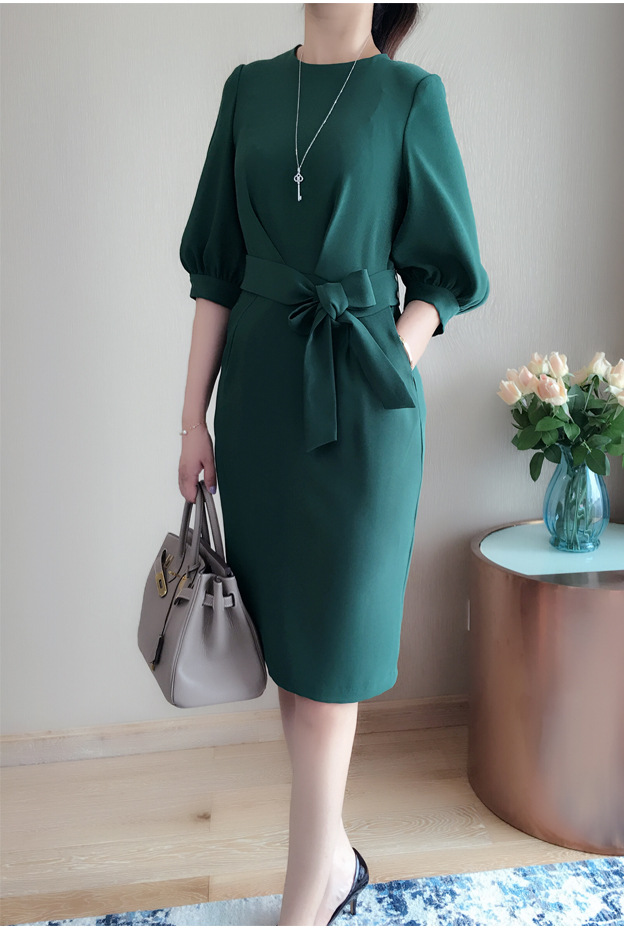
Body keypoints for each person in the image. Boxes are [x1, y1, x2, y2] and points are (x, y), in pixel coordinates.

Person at [177, 3, 490, 924]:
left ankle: (303, 900)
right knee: (296, 655)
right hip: (260, 409)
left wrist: (392, 354)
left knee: (331, 661)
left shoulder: (410, 95)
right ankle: (333, 862)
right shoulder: (248, 91)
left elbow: (448, 274)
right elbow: (216, 271)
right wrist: (191, 418)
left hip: (362, 413)